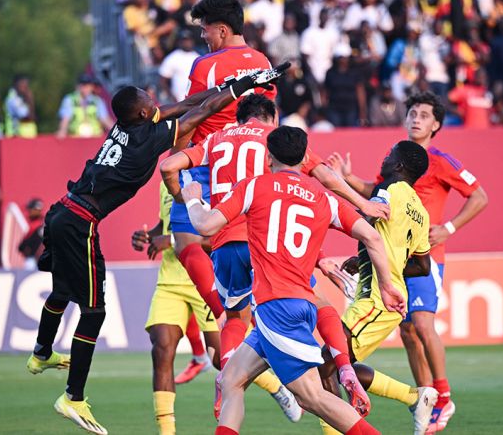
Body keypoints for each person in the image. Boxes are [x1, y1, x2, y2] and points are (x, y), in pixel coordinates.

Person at [27, 64, 289, 435]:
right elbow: (201, 111)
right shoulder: (148, 139)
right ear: (141, 113)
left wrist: (229, 85)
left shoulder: (125, 126)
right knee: (94, 311)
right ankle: (73, 397)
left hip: (62, 212)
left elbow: (185, 104)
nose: (155, 103)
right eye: (149, 102)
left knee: (63, 290)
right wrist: (244, 84)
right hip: (79, 222)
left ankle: (41, 353)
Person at [161, 94, 390, 418]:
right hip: (268, 239)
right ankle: (344, 366)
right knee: (317, 301)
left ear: (239, 119)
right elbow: (323, 178)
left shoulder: (216, 138)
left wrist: (183, 198)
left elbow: (168, 166)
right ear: (273, 117)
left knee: (235, 317)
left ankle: (226, 374)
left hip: (224, 238)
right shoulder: (276, 141)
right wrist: (364, 205)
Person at [328, 92, 489, 432]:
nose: (416, 118)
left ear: (437, 125)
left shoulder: (438, 161)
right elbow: (376, 196)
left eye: (424, 115)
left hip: (415, 263)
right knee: (407, 331)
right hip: (402, 261)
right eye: (412, 112)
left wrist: (448, 228)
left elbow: (480, 196)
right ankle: (421, 395)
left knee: (421, 325)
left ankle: (441, 395)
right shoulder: (402, 183)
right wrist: (349, 178)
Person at [167, 0, 274, 339]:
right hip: (251, 166)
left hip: (210, 161)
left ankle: (225, 317)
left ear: (223, 30)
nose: (203, 36)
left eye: (205, 29)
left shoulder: (206, 65)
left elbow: (191, 115)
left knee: (186, 240)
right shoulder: (261, 60)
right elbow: (266, 118)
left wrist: (178, 157)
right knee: (243, 247)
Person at [317, 140, 438, 435]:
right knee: (339, 365)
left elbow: (368, 217)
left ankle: (410, 399)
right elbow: (422, 265)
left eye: (389, 155)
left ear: (399, 165)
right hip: (388, 298)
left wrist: (322, 215)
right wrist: (365, 261)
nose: (384, 159)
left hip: (377, 299)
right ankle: (415, 397)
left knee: (324, 365)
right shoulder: (421, 212)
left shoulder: (388, 189)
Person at [131, 182, 220, 434]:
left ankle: (276, 387)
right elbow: (165, 224)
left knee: (221, 358)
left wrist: (170, 241)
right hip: (170, 280)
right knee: (161, 347)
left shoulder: (210, 177)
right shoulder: (166, 183)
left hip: (205, 280)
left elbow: (218, 236)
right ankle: (167, 432)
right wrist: (148, 237)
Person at [56, 74, 115, 138]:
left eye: (88, 85)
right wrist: (62, 131)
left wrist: (116, 132)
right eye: (83, 85)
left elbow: (105, 119)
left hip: (95, 137)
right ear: (77, 86)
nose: (86, 88)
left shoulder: (97, 101)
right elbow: (65, 118)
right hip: (75, 138)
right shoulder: (70, 99)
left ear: (92, 87)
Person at [158, 31, 200, 104]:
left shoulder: (198, 57)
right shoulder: (173, 57)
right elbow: (163, 80)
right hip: (177, 101)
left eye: (188, 40)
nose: (187, 43)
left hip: (195, 101)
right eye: (184, 40)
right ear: (179, 42)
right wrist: (171, 96)